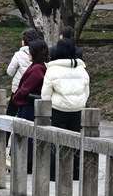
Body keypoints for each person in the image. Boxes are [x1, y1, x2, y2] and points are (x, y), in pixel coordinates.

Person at [42, 38, 90, 180]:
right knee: (76, 142)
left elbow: (45, 94)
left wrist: (48, 109)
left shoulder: (52, 70)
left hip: (58, 109)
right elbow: (86, 92)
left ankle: (54, 173)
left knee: (56, 142)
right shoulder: (82, 70)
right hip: (77, 110)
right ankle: (75, 173)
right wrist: (80, 103)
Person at [13, 39, 49, 171]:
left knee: (27, 137)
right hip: (29, 106)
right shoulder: (38, 67)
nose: (28, 52)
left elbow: (25, 89)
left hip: (29, 107)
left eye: (30, 50)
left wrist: (16, 96)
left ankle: (27, 163)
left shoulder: (36, 69)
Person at [6, 28, 39, 117]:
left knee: (11, 113)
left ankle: (7, 131)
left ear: (23, 42)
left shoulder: (18, 55)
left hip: (18, 89)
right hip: (34, 90)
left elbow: (10, 72)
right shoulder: (40, 54)